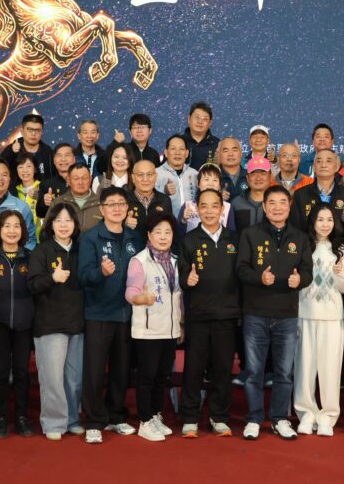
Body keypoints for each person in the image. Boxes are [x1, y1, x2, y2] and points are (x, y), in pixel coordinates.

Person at [237, 186, 313, 440]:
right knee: (254, 372)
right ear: (264, 206)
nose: (277, 207)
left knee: (284, 373)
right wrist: (259, 278)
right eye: (272, 202)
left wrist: (300, 280)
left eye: (282, 202)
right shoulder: (250, 234)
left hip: (287, 315)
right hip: (256, 313)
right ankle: (254, 418)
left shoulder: (300, 237)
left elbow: (308, 271)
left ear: (289, 206)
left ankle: (280, 418)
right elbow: (241, 269)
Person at [79, 186, 145, 444]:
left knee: (121, 369)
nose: (117, 208)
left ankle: (116, 415)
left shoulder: (134, 238)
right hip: (99, 313)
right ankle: (94, 420)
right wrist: (101, 273)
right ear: (102, 209)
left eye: (121, 204)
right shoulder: (91, 238)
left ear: (127, 208)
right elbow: (84, 275)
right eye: (111, 204)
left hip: (127, 314)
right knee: (95, 370)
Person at [177, 189, 240, 438]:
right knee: (193, 369)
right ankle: (190, 417)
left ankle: (219, 416)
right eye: (204, 206)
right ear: (197, 209)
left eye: (215, 206)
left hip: (227, 314)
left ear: (222, 209)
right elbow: (182, 275)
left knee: (223, 369)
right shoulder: (189, 240)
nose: (210, 211)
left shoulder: (235, 239)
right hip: (199, 315)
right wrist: (188, 279)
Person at [28, 202, 85, 440]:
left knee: (74, 378)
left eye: (68, 220)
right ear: (50, 224)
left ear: (75, 224)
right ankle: (53, 422)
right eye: (58, 220)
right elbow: (32, 285)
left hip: (77, 323)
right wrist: (52, 278)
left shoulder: (81, 250)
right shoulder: (41, 251)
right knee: (52, 378)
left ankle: (72, 419)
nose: (63, 225)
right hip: (50, 324)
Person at [125, 213, 183, 441]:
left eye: (167, 232)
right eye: (158, 232)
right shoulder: (139, 261)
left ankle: (156, 415)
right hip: (147, 331)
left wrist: (180, 324)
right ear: (149, 235)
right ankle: (145, 420)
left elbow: (178, 296)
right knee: (146, 377)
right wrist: (140, 299)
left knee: (162, 377)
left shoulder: (176, 261)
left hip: (169, 329)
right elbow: (130, 291)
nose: (163, 237)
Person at [294, 205, 344, 436]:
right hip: (305, 313)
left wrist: (339, 274)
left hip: (332, 316)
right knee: (304, 367)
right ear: (312, 222)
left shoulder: (341, 249)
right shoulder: (303, 245)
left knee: (330, 368)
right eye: (320, 219)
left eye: (329, 219)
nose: (325, 224)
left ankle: (328, 416)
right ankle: (306, 413)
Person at [0, 210, 35, 439]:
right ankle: (1, 418)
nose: (12, 231)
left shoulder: (31, 257)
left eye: (16, 226)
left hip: (24, 322)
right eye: (7, 226)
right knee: (1, 372)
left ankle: (21, 417)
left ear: (22, 230)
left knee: (21, 372)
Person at [291, 149, 344, 235]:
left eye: (328, 161)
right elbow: (295, 229)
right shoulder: (300, 195)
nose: (323, 165)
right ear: (314, 168)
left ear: (336, 167)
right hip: (308, 243)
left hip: (340, 243)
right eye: (319, 161)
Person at [179, 164, 236, 234]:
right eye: (206, 179)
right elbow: (178, 234)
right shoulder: (187, 206)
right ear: (198, 183)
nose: (210, 183)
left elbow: (232, 234)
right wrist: (183, 221)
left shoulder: (227, 207)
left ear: (219, 185)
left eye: (215, 180)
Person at [49, 164, 102, 234]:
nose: (80, 182)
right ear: (68, 180)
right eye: (76, 179)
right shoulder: (58, 202)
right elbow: (46, 232)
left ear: (90, 179)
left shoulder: (101, 203)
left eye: (84, 178)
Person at [126, 159, 174, 236]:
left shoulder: (165, 200)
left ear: (156, 177)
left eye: (149, 175)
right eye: (140, 175)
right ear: (133, 178)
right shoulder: (124, 200)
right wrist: (124, 223)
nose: (145, 179)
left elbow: (171, 228)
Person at [2, 113, 54, 181]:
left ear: (42, 132)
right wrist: (11, 152)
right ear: (22, 131)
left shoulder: (48, 152)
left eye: (37, 130)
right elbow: (0, 170)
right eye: (30, 130)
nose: (33, 134)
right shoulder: (11, 150)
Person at [156, 134, 199, 215]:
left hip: (191, 221)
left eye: (181, 149)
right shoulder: (156, 174)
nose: (177, 153)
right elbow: (149, 201)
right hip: (166, 221)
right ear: (166, 152)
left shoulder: (195, 174)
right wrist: (164, 192)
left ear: (187, 153)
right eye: (173, 149)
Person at [37, 143, 76, 220]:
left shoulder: (82, 181)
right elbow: (39, 213)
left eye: (67, 155)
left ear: (74, 159)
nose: (63, 159)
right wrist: (45, 204)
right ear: (54, 160)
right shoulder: (46, 184)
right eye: (59, 155)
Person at [231, 157, 271, 232]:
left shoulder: (277, 204)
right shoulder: (236, 203)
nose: (258, 178)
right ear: (247, 178)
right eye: (253, 174)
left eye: (263, 174)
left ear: (270, 177)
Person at [182, 101, 221, 170]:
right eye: (197, 117)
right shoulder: (177, 142)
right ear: (189, 119)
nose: (200, 122)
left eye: (205, 119)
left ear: (210, 123)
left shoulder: (218, 145)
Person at [13, 153, 42, 237]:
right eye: (21, 167)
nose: (24, 170)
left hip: (40, 239)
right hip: (18, 239)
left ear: (35, 169)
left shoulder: (44, 188)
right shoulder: (13, 191)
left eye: (28, 166)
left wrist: (40, 197)